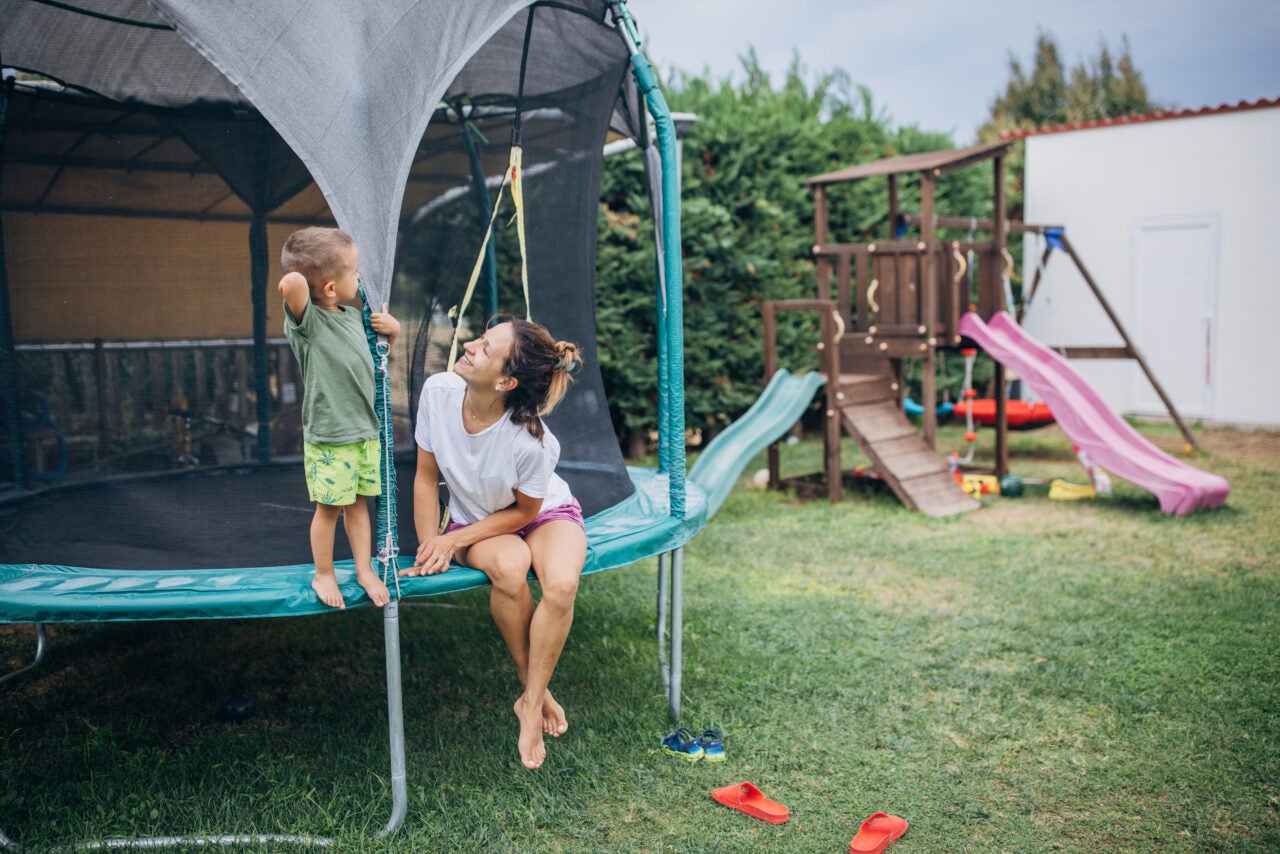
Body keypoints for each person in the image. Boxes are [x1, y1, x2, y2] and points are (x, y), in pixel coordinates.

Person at [403, 317, 586, 770]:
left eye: (484, 348)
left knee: (561, 585)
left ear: (506, 381)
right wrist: (432, 544)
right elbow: (426, 478)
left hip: (543, 514)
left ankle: (530, 703)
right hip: (477, 518)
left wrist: (456, 541)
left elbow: (526, 513)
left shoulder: (534, 443)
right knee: (509, 565)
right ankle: (534, 691)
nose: (468, 346)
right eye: (479, 340)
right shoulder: (439, 393)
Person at [278, 226, 399, 611]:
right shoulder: (307, 324)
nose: (360, 278)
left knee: (359, 504)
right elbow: (293, 283)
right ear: (330, 288)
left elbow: (371, 357)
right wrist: (306, 264)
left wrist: (392, 333)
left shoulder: (350, 315)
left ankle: (363, 569)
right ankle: (324, 571)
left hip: (365, 431)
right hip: (331, 436)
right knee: (329, 508)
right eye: (354, 272)